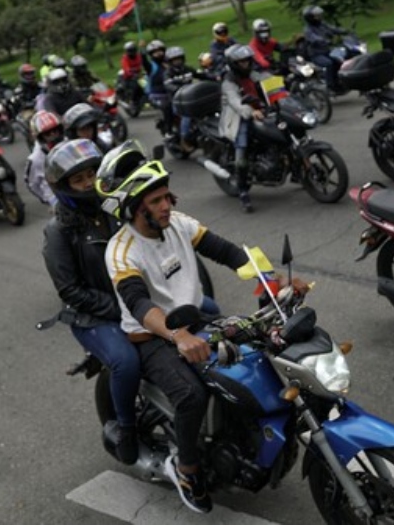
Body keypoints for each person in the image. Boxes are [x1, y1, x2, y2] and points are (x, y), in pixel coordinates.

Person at [100, 157, 249, 514]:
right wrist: (177, 336)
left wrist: (272, 279)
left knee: (254, 357)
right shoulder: (121, 250)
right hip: (152, 337)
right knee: (191, 395)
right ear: (135, 209)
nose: (167, 205)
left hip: (195, 319)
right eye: (155, 201)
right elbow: (137, 303)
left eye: (167, 196)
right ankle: (188, 469)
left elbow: (228, 252)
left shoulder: (180, 224)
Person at [40, 141, 142, 465]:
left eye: (91, 174)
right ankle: (126, 429)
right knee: (126, 362)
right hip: (93, 317)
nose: (88, 183)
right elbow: (71, 291)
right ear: (63, 187)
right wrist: (123, 308)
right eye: (79, 179)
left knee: (206, 308)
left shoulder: (115, 208)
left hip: (133, 298)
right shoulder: (58, 232)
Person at [219, 44, 267, 213]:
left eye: (247, 60)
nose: (245, 64)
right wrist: (251, 111)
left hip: (260, 111)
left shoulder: (252, 73)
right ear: (234, 63)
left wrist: (282, 90)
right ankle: (243, 192)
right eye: (241, 62)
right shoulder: (229, 81)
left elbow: (266, 80)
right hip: (238, 118)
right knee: (242, 153)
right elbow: (235, 101)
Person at [301, 5, 346, 92]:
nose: (320, 17)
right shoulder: (308, 30)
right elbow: (314, 38)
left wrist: (344, 31)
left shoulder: (322, 24)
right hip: (316, 54)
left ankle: (338, 80)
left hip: (327, 51)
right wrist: (325, 41)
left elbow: (332, 29)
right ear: (311, 18)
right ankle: (330, 85)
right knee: (329, 63)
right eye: (317, 16)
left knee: (339, 60)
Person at [24, 110, 63, 207]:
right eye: (48, 133)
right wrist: (49, 199)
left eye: (55, 130)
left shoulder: (69, 142)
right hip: (57, 199)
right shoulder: (35, 159)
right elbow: (32, 184)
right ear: (40, 136)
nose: (53, 135)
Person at [143, 40, 172, 134]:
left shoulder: (169, 63)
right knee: (168, 108)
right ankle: (169, 131)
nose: (158, 53)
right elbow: (145, 63)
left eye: (160, 51)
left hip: (172, 91)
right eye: (155, 52)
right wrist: (142, 51)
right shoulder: (152, 66)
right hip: (158, 95)